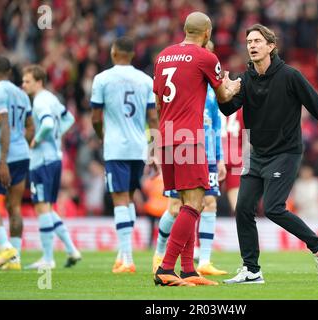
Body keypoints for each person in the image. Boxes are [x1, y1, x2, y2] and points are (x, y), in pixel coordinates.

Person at [219, 24, 318, 284]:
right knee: (243, 208)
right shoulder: (245, 79)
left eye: (258, 41)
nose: (252, 45)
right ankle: (251, 270)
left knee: (273, 208)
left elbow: (316, 104)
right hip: (257, 153)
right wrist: (223, 92)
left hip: (286, 152)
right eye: (249, 42)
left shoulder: (290, 76)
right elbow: (227, 110)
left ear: (271, 46)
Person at [152, 11, 241, 286]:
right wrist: (234, 86)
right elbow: (224, 97)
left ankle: (189, 269)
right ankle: (167, 267)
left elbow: (157, 103)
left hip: (166, 136)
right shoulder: (205, 57)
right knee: (195, 203)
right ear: (208, 33)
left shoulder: (163, 56)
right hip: (189, 138)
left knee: (184, 202)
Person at [91, 36, 159, 273]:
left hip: (116, 148)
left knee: (119, 199)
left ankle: (128, 259)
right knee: (128, 197)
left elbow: (96, 117)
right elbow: (153, 118)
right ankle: (123, 255)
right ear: (131, 54)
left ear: (113, 52)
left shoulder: (102, 79)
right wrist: (154, 149)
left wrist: (101, 134)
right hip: (139, 147)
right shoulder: (145, 80)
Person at [21, 64, 82, 269]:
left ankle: (48, 259)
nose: (24, 84)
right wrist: (57, 136)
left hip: (42, 160)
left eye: (27, 81)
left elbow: (47, 124)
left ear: (38, 82)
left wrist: (37, 140)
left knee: (42, 208)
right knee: (46, 207)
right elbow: (69, 119)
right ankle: (71, 249)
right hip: (55, 158)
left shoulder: (39, 102)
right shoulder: (52, 97)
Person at [0, 56, 34, 270]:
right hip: (22, 155)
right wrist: (23, 144)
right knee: (14, 207)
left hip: (1, 157)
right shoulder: (22, 95)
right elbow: (31, 126)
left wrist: (2, 160)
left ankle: (5, 247)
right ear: (10, 73)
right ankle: (16, 259)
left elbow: (4, 126)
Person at [220, 108, 244, 215]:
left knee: (207, 204)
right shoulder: (241, 109)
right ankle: (244, 231)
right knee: (238, 206)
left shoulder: (210, 103)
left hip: (215, 158)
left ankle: (199, 232)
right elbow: (247, 137)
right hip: (236, 158)